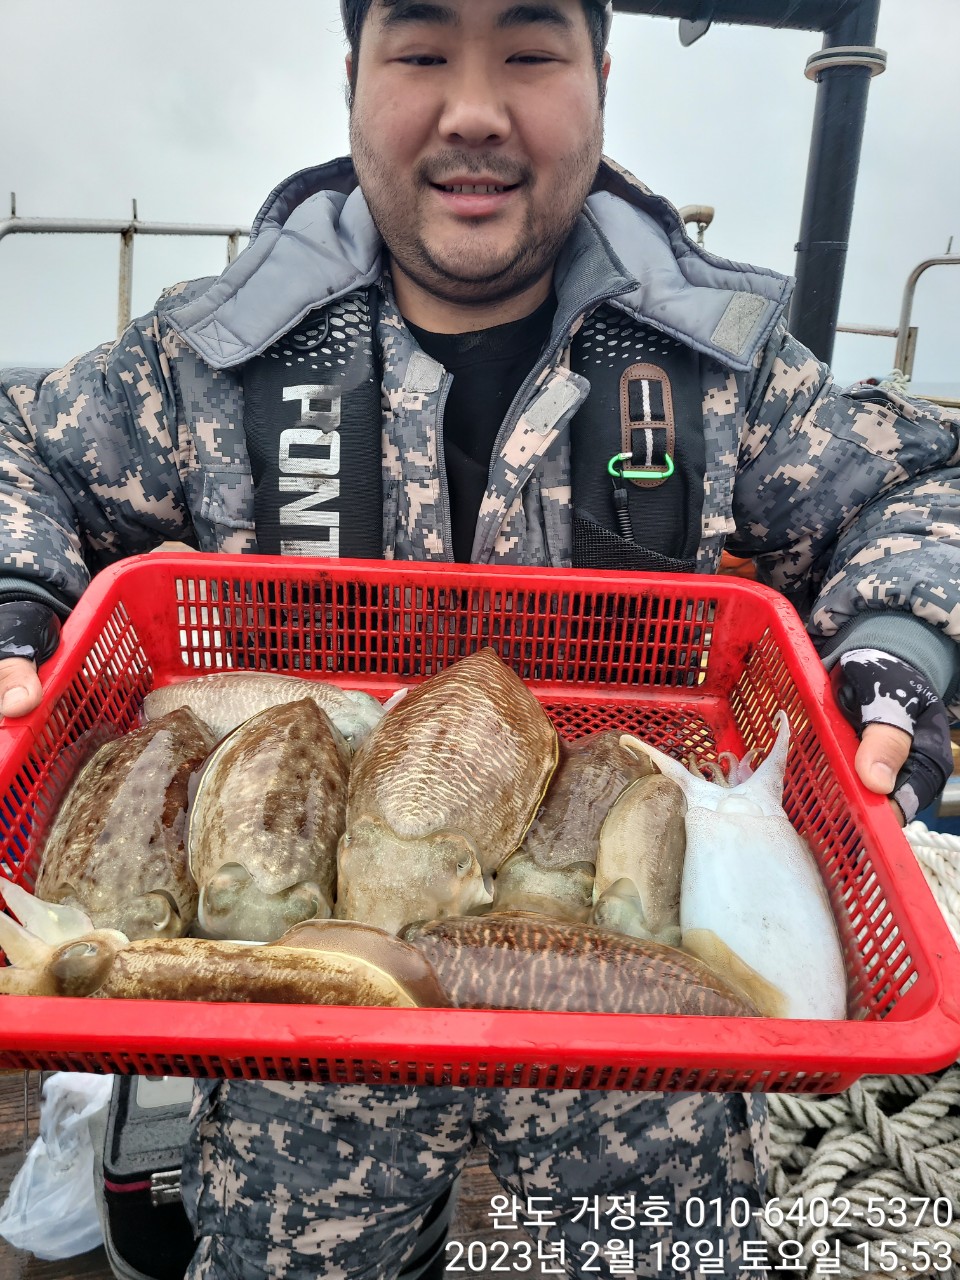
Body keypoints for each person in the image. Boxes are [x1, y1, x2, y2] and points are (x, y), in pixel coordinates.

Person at [0, 0, 957, 1275]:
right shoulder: (211, 354)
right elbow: (20, 450)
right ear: (353, 77)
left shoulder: (720, 359)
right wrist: (16, 598)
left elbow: (918, 485)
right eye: (420, 52)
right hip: (306, 1003)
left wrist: (898, 641)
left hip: (636, 1003)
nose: (472, 109)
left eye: (527, 53)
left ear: (599, 75)